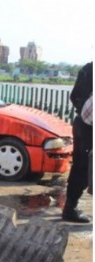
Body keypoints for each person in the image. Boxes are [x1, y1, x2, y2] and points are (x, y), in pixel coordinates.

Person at [62, 62, 93, 223]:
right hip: (89, 127)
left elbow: (74, 96)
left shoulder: (87, 69)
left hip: (81, 123)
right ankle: (70, 208)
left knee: (80, 166)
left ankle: (70, 206)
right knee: (82, 168)